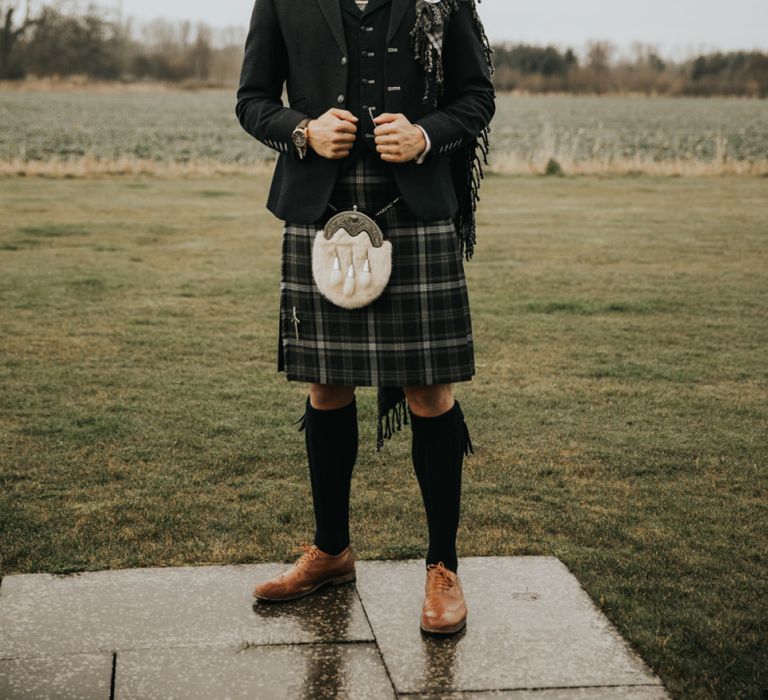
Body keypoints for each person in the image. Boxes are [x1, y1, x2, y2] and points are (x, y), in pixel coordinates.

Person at [235, 0, 495, 635]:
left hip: (416, 208)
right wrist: (303, 131)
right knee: (327, 384)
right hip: (320, 207)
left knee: (430, 388)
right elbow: (252, 99)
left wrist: (427, 134)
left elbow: (476, 97)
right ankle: (331, 551)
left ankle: (443, 567)